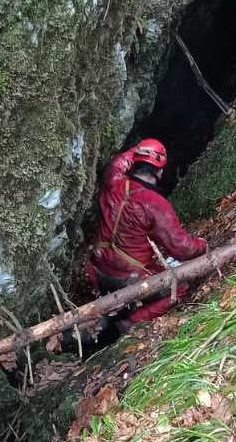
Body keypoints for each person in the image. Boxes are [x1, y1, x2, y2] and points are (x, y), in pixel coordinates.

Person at [89, 140, 207, 329]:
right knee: (180, 287)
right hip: (129, 278)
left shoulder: (113, 181)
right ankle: (130, 323)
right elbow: (183, 249)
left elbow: (118, 163)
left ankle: (109, 311)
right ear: (160, 172)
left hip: (97, 270)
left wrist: (139, 151)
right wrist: (202, 245)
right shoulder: (155, 203)